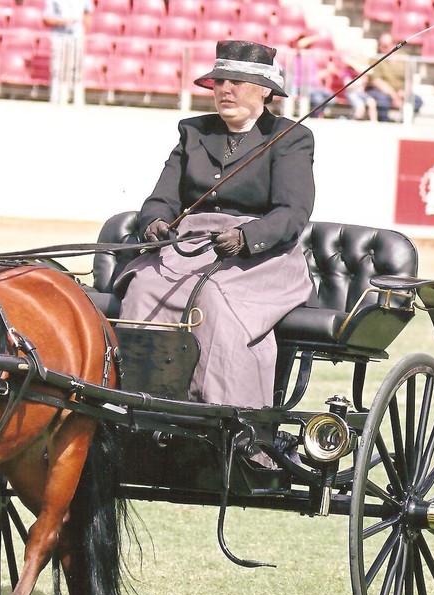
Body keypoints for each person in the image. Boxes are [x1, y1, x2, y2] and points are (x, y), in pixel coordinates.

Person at [114, 40, 316, 427]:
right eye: (220, 80)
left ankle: (224, 420)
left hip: (261, 255)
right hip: (188, 247)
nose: (225, 89)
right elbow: (160, 199)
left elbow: (293, 212)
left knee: (211, 297)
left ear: (265, 91)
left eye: (237, 82)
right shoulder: (193, 132)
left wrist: (246, 236)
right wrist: (155, 222)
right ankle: (139, 409)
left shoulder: (290, 137)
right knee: (143, 287)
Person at [365, 32, 423, 122]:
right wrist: (394, 96)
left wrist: (405, 93)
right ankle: (384, 123)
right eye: (382, 45)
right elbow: (376, 81)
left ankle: (404, 122)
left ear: (394, 44)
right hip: (383, 92)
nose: (384, 48)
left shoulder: (404, 58)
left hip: (401, 91)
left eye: (388, 45)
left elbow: (409, 79)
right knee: (382, 100)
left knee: (417, 101)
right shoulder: (376, 59)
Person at [43, 0, 92, 105]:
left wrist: (84, 30)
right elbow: (46, 19)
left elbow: (88, 13)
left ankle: (77, 99)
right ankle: (57, 98)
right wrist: (64, 22)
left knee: (77, 68)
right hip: (59, 35)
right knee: (57, 68)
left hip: (77, 35)